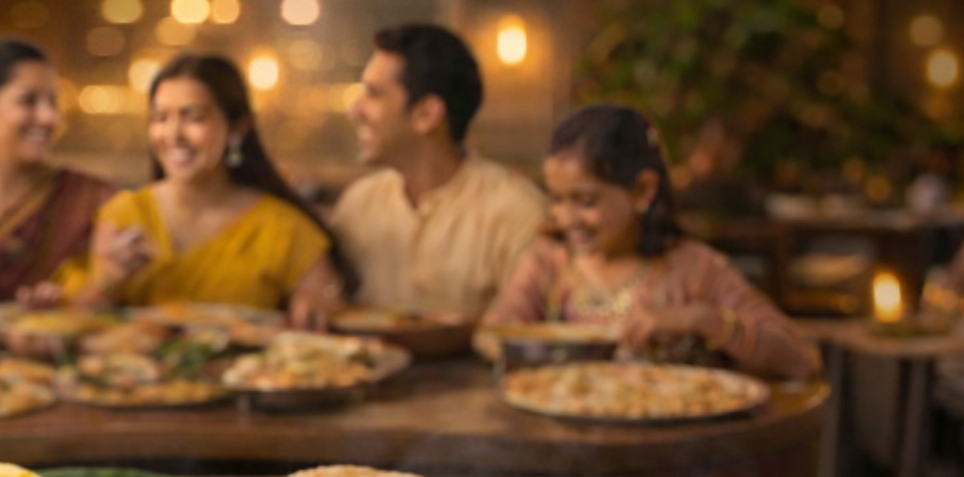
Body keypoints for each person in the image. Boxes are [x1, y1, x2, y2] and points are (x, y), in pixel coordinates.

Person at [483, 104, 821, 380]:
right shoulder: (549, 263)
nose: (566, 218)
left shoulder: (695, 269)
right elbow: (490, 336)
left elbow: (800, 360)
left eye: (585, 201)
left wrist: (704, 320)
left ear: (643, 191)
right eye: (556, 199)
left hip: (677, 453)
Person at [80, 52, 342, 324]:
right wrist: (109, 280)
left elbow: (328, 311)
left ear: (238, 129)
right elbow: (77, 325)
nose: (173, 135)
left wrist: (313, 306)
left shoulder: (283, 228)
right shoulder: (125, 215)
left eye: (193, 118)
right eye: (160, 118)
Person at [331, 24, 547, 320]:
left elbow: (521, 337)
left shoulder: (516, 212)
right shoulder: (358, 206)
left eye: (373, 94)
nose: (355, 111)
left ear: (426, 115)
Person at [0, 38, 115, 305]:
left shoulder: (88, 196)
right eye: (28, 101)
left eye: (53, 102)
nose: (49, 117)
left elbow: (114, 293)